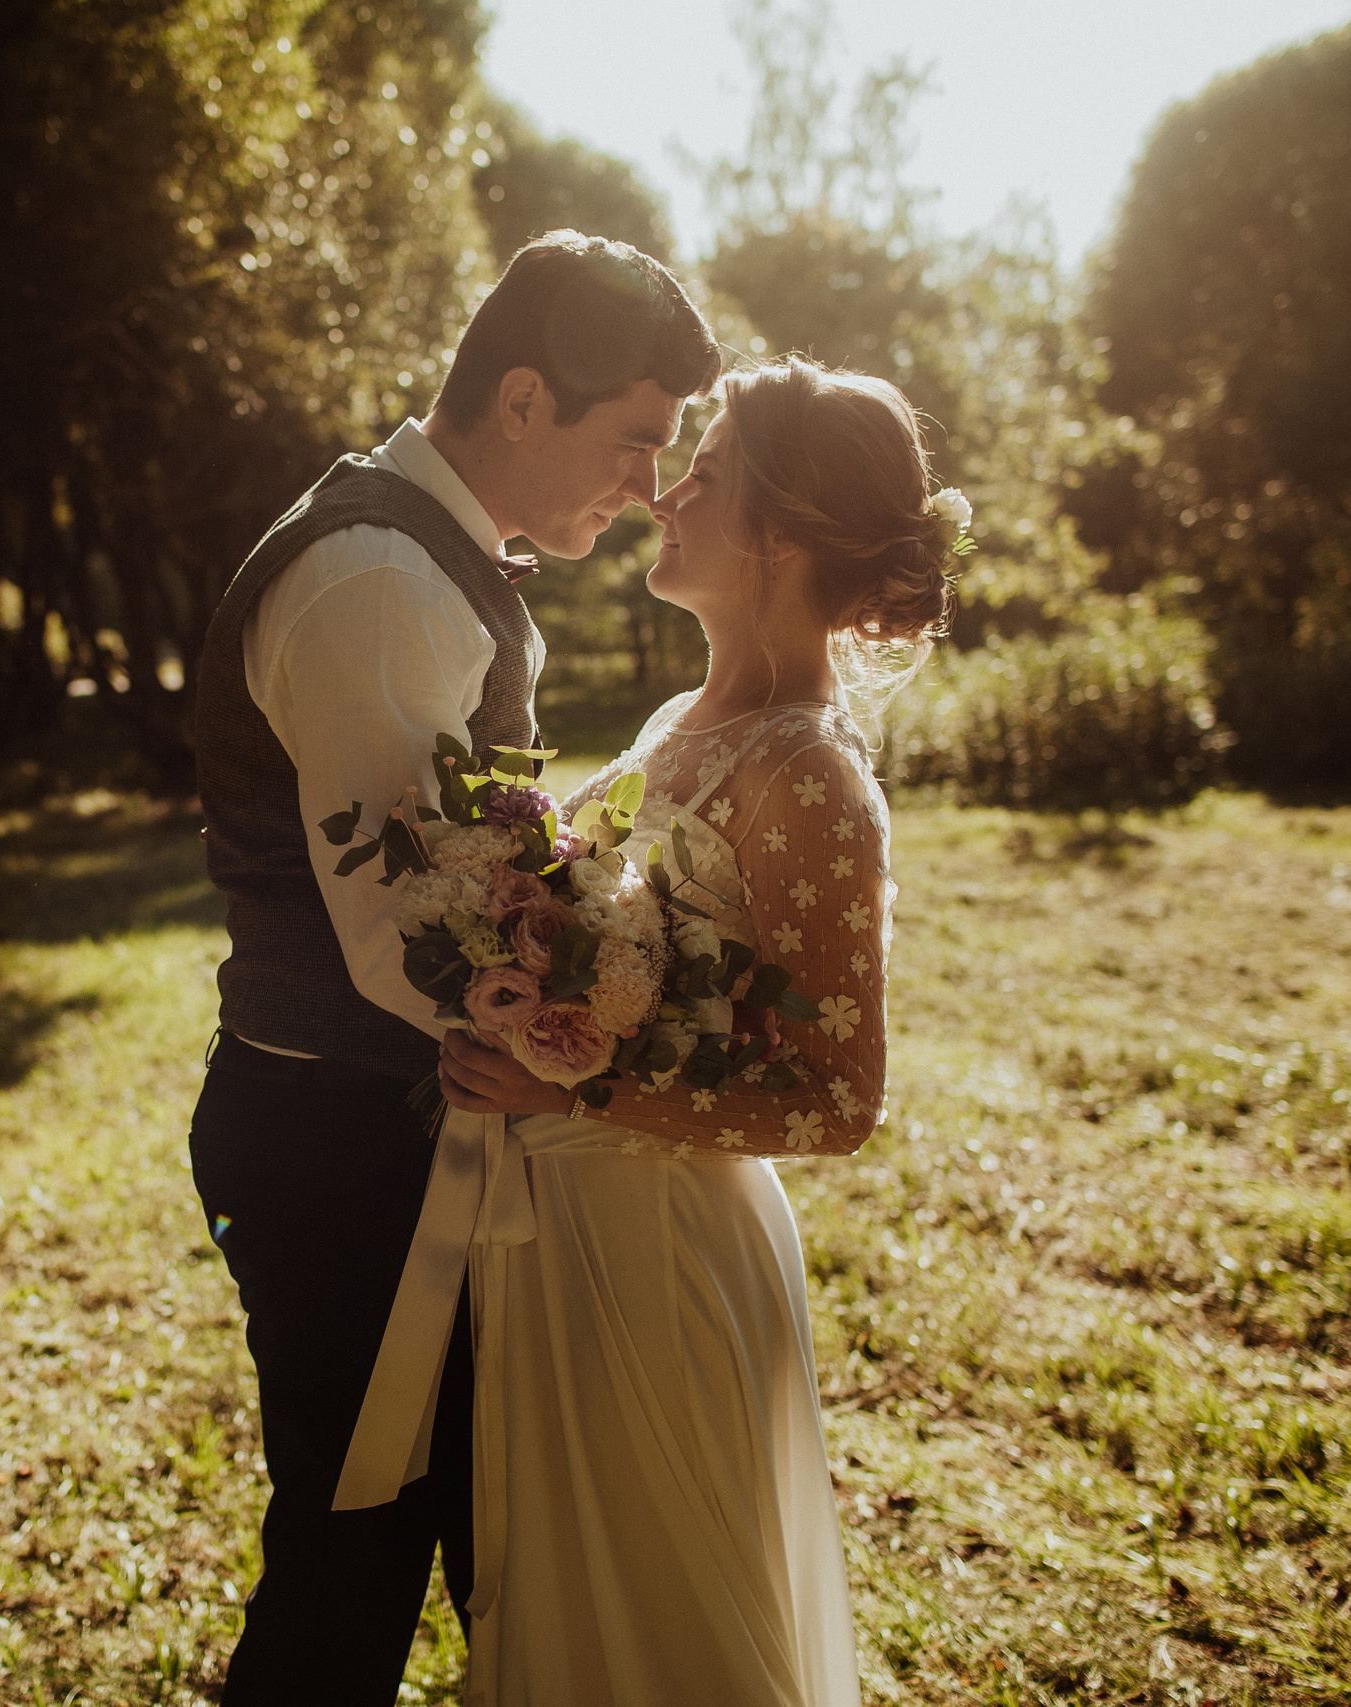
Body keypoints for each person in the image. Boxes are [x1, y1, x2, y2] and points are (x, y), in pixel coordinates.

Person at [186, 230, 720, 1704]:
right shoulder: (375, 580)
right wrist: (622, 1011)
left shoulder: (423, 556)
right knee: (355, 1548)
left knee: (487, 1514)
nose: (649, 488)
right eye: (633, 443)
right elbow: (417, 935)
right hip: (341, 1146)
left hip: (397, 1130)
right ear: (527, 400)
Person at [433, 355, 957, 1705]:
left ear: (780, 535)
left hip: (667, 1253)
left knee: (668, 1633)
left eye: (707, 476)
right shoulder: (680, 720)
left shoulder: (814, 780)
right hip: (565, 1232)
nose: (668, 494)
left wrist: (577, 1094)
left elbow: (836, 1101)